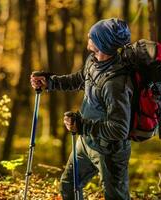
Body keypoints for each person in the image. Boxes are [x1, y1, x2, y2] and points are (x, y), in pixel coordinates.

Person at [30, 18, 133, 200]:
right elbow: (81, 79)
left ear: (102, 43)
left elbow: (119, 129)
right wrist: (51, 82)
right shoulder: (93, 61)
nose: (88, 37)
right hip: (86, 143)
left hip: (109, 151)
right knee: (69, 185)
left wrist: (82, 126)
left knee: (116, 197)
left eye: (92, 36)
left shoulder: (116, 84)